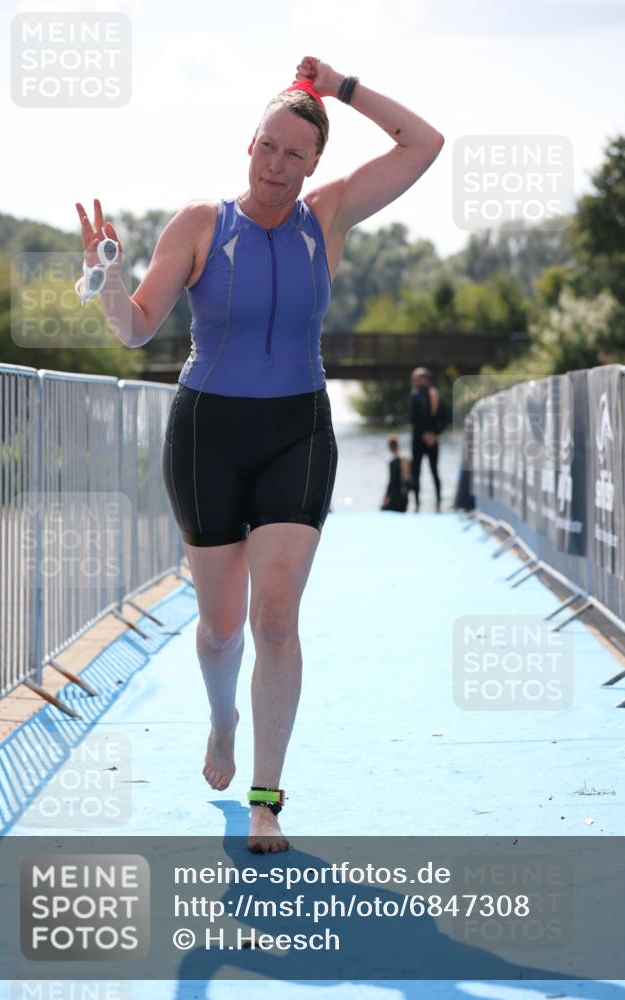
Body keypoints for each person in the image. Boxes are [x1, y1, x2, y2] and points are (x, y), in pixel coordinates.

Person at [75, 56, 445, 854]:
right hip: (206, 436)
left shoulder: (329, 215)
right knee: (219, 629)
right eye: (266, 147)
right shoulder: (199, 225)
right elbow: (135, 328)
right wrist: (105, 275)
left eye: (293, 154)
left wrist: (341, 89)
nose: (275, 165)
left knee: (275, 619)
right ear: (249, 145)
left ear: (313, 163)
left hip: (296, 432)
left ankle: (266, 799)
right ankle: (222, 720)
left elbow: (423, 144)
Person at [408, 366, 445, 512]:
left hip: (430, 439)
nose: (415, 381)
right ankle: (417, 504)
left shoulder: (434, 394)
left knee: (434, 471)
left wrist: (434, 433)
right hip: (420, 439)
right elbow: (412, 418)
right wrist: (427, 434)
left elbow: (444, 417)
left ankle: (438, 504)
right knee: (416, 472)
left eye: (417, 378)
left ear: (425, 379)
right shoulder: (414, 395)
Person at [380, 436, 410, 512]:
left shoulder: (393, 463)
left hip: (395, 498)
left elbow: (392, 482)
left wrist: (386, 498)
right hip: (404, 498)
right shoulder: (405, 460)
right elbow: (407, 481)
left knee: (383, 509)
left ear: (390, 448)